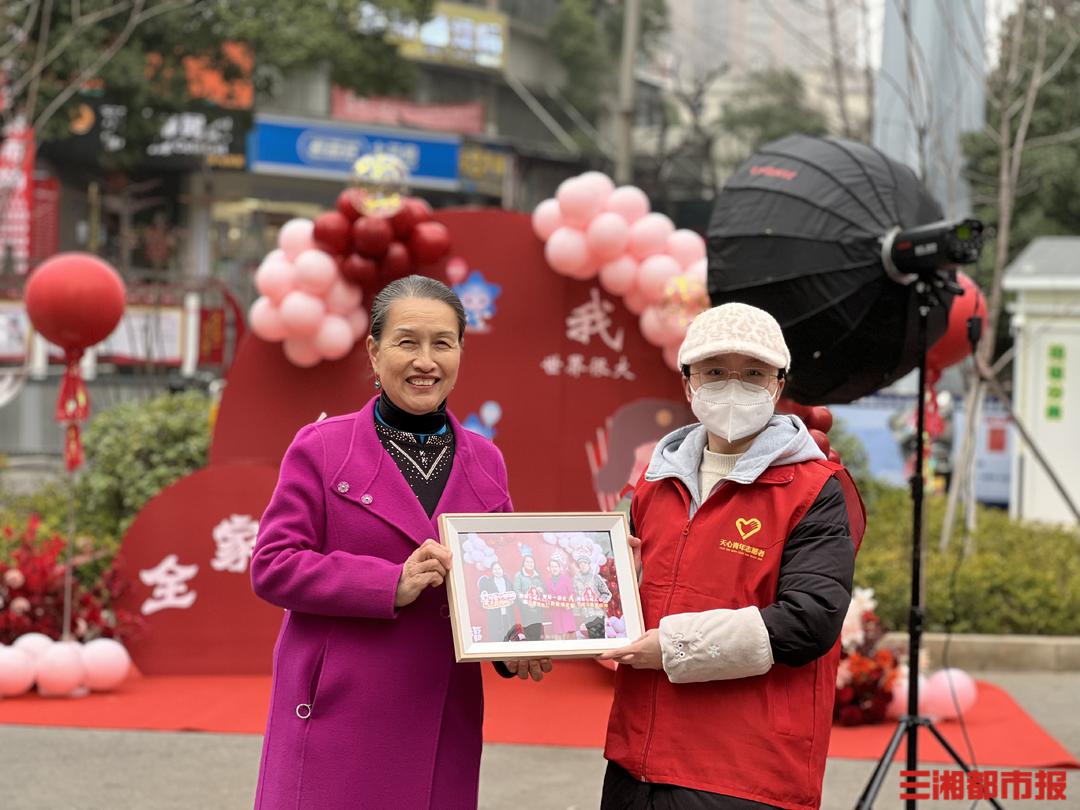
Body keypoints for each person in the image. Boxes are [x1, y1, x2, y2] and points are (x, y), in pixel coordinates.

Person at [250, 275, 549, 810]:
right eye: (407, 342)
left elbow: (497, 582)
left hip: (442, 710)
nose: (426, 361)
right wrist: (389, 583)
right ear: (374, 349)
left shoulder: (486, 460)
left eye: (443, 343)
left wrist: (515, 645)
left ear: (461, 350)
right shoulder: (322, 446)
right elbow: (273, 565)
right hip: (337, 706)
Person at [600, 302, 865, 810]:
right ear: (688, 384)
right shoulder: (653, 486)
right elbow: (608, 594)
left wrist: (675, 647)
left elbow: (810, 620)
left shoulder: (815, 490)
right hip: (637, 760)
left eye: (752, 374)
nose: (732, 386)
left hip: (744, 772)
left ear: (777, 386)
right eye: (716, 372)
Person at [571, 552, 612, 639]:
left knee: (599, 638)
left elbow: (607, 593)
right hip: (585, 614)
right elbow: (575, 595)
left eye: (584, 563)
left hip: (597, 613)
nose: (583, 565)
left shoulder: (596, 578)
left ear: (589, 565)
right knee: (592, 638)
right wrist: (577, 610)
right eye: (580, 564)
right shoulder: (576, 580)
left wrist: (599, 602)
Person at [512, 544, 546, 639]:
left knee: (537, 634)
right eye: (527, 562)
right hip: (526, 610)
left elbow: (543, 589)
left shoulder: (537, 576)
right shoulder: (518, 576)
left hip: (538, 610)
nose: (530, 564)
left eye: (531, 562)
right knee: (529, 634)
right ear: (523, 563)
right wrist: (526, 602)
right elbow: (516, 592)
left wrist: (541, 590)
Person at [477, 561, 515, 642]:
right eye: (495, 569)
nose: (497, 571)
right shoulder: (488, 583)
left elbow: (513, 596)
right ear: (492, 571)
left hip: (507, 615)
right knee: (496, 638)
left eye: (499, 569)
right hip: (494, 616)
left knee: (507, 637)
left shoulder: (508, 582)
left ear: (502, 570)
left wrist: (512, 600)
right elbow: (482, 596)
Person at [544, 552, 578, 639]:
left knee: (569, 639)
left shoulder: (566, 579)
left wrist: (570, 602)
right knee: (558, 639)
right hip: (555, 613)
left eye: (556, 566)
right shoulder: (547, 582)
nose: (554, 569)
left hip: (566, 613)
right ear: (549, 568)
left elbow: (573, 594)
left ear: (559, 568)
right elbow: (546, 597)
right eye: (552, 567)